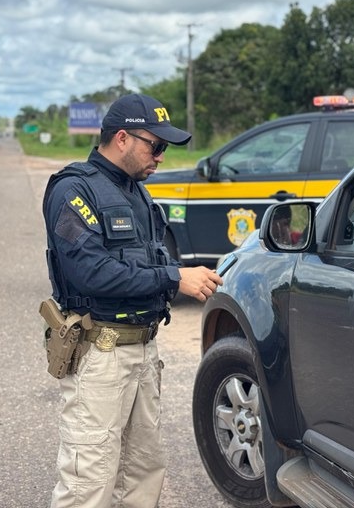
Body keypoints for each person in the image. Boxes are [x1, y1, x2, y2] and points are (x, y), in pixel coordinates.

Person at [42, 93, 223, 508]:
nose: (160, 157)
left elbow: (147, 260)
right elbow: (91, 272)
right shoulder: (73, 190)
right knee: (88, 482)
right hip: (100, 353)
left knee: (143, 472)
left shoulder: (137, 192)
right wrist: (174, 277)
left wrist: (184, 273)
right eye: (154, 146)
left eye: (164, 149)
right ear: (122, 138)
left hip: (143, 349)